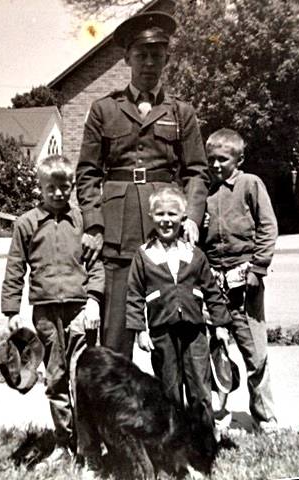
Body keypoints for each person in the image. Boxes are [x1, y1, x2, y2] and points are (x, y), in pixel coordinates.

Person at [76, 5, 210, 359]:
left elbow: (197, 171)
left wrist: (192, 219)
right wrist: (93, 223)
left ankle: (175, 410)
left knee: (173, 333)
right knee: (116, 335)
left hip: (166, 231)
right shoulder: (103, 109)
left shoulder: (182, 112)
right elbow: (88, 172)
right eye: (142, 55)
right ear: (127, 58)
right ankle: (115, 413)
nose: (149, 63)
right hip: (118, 235)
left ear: (166, 59)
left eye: (157, 55)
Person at [1, 154, 104, 465]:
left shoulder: (83, 222)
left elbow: (96, 265)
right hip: (45, 314)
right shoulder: (26, 224)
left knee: (82, 378)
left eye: (65, 187)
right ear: (40, 187)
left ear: (72, 186)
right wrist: (11, 311)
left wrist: (95, 300)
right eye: (52, 187)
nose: (59, 193)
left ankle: (89, 449)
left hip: (80, 311)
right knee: (56, 379)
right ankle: (63, 444)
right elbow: (15, 268)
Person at [126, 186, 231, 434]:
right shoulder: (144, 256)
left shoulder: (194, 254)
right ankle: (172, 439)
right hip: (162, 331)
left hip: (194, 331)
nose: (166, 220)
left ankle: (204, 437)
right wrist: (140, 331)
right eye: (160, 214)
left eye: (172, 214)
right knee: (168, 386)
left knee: (199, 385)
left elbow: (212, 292)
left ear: (183, 216)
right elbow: (134, 296)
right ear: (152, 217)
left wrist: (221, 325)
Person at [202, 128, 279, 434]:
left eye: (223, 159)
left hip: (245, 279)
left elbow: (268, 226)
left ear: (239, 159)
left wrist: (258, 269)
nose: (217, 165)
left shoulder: (250, 184)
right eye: (212, 160)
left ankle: (265, 419)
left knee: (255, 354)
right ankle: (216, 417)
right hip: (213, 283)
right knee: (216, 352)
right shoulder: (205, 192)